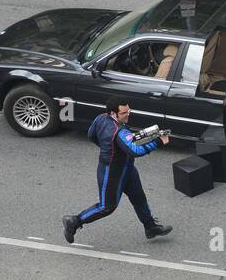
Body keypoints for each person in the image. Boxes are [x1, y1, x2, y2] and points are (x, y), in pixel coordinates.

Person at [64, 98, 172, 244]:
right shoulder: (120, 131)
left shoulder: (100, 118)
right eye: (124, 113)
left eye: (129, 111)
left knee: (139, 197)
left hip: (127, 168)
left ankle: (150, 227)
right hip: (112, 173)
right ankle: (74, 221)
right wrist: (159, 141)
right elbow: (135, 150)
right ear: (114, 114)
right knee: (106, 207)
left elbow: (91, 135)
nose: (128, 115)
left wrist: (107, 147)